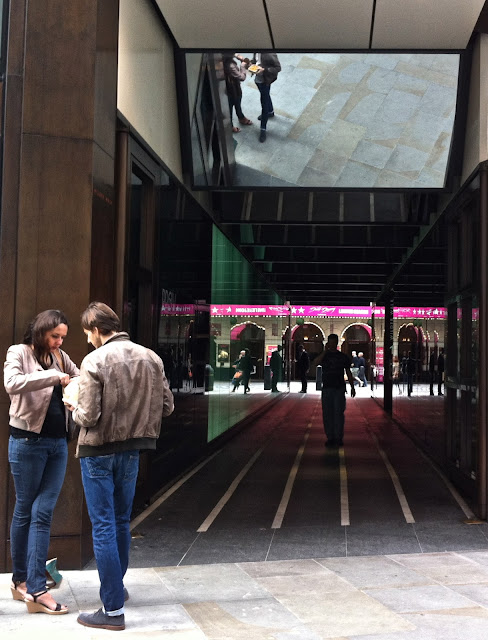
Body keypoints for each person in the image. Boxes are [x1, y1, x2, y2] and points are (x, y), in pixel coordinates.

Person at [69, 302, 174, 631]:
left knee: (102, 525)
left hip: (98, 449)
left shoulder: (94, 360)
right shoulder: (151, 358)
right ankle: (117, 588)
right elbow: (167, 406)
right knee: (119, 522)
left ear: (96, 329)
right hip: (132, 450)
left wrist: (72, 405)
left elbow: (88, 416)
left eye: (87, 333)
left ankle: (112, 610)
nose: (87, 340)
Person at [4, 309, 79, 615]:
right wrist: (53, 377)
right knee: (25, 509)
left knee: (42, 511)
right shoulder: (19, 352)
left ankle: (29, 583)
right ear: (40, 331)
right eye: (54, 336)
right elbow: (12, 383)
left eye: (63, 337)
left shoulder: (59, 356)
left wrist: (73, 388)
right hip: (26, 441)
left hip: (58, 443)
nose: (59, 342)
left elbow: (78, 376)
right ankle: (26, 583)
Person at [317, 334, 356, 447]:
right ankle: (330, 437)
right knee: (327, 413)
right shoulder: (325, 356)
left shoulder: (342, 357)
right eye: (330, 343)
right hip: (327, 388)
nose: (332, 345)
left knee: (338, 413)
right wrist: (325, 351)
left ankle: (338, 437)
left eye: (334, 343)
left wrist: (352, 387)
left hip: (339, 388)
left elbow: (348, 372)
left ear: (337, 343)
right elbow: (315, 363)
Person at [253, 52, 281, 142]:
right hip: (258, 79)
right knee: (265, 95)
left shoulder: (269, 54)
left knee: (264, 103)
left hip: (265, 81)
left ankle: (263, 128)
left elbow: (278, 68)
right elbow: (255, 61)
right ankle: (270, 111)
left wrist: (265, 70)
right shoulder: (256, 51)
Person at [223, 53, 253, 133]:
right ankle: (231, 125)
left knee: (236, 103)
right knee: (231, 107)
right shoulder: (230, 66)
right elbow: (242, 77)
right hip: (232, 89)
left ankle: (241, 117)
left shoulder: (224, 60)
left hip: (230, 88)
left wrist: (237, 56)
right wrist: (242, 67)